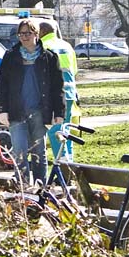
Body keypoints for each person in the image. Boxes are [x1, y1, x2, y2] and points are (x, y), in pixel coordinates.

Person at [0, 19, 65, 184]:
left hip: (39, 112)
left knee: (38, 151)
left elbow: (57, 88)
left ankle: (41, 187)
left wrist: (60, 112)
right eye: (21, 34)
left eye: (27, 33)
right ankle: (23, 186)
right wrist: (2, 110)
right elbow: (2, 85)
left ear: (36, 34)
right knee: (19, 151)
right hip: (16, 111)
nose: (24, 37)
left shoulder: (49, 58)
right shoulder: (11, 56)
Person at [40, 21, 80, 161]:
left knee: (55, 132)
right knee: (65, 131)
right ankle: (70, 164)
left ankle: (63, 167)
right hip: (69, 94)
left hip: (55, 96)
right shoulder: (67, 46)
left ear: (43, 31)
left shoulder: (44, 46)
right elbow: (74, 70)